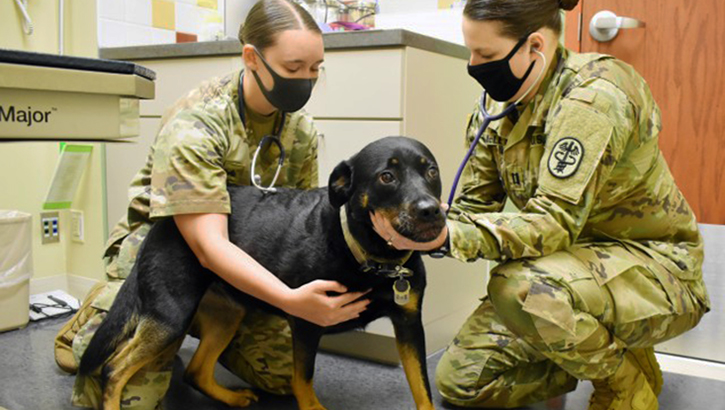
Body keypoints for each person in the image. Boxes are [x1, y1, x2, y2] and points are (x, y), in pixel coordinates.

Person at [372, 0, 710, 409]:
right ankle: (600, 350)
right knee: (461, 383)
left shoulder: (593, 98)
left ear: (534, 45)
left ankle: (622, 379)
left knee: (516, 286)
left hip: (653, 269)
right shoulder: (498, 109)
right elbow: (475, 207)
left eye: (488, 55)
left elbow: (553, 223)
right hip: (566, 272)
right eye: (471, 52)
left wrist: (448, 236)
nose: (474, 65)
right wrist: (422, 222)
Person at [54, 1, 370, 408]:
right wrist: (290, 301)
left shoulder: (301, 133)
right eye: (293, 69)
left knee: (277, 377)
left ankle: (202, 340)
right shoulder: (197, 123)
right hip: (167, 250)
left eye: (315, 69)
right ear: (251, 58)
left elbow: (298, 222)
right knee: (118, 384)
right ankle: (99, 313)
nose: (306, 81)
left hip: (242, 252)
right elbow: (207, 246)